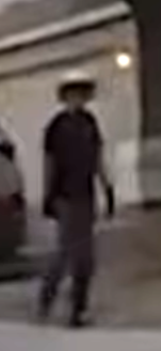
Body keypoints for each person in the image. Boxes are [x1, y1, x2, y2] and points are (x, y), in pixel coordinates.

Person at [37, 70, 116, 328]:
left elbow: (97, 157)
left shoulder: (90, 122)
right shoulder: (56, 126)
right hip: (64, 196)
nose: (78, 99)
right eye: (73, 95)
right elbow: (49, 162)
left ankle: (78, 309)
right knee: (65, 253)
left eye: (82, 94)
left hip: (85, 195)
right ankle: (46, 299)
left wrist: (107, 187)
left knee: (86, 258)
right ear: (65, 97)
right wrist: (47, 195)